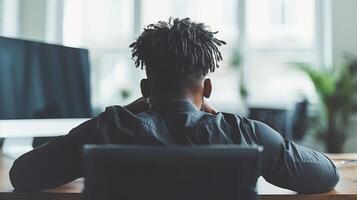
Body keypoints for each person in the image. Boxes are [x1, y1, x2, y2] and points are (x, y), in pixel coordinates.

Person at [9, 18, 339, 193]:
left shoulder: (106, 129)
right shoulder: (248, 134)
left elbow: (22, 175)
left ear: (144, 88)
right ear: (207, 87)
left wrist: (136, 106)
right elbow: (325, 176)